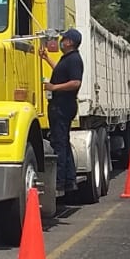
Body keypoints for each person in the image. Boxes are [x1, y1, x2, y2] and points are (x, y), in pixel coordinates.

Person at [39, 28, 84, 197]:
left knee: (59, 144)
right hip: (61, 105)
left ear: (70, 42)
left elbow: (75, 82)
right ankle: (70, 179)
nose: (61, 41)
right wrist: (47, 58)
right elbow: (60, 71)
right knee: (63, 141)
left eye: (63, 38)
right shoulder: (67, 59)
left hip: (63, 105)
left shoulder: (74, 60)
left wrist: (54, 87)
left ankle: (59, 182)